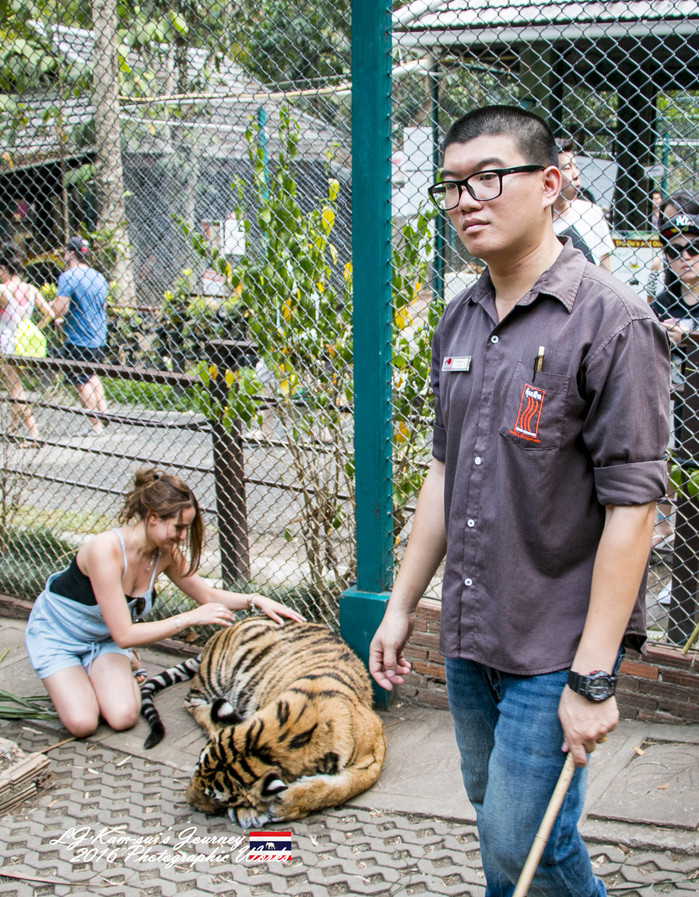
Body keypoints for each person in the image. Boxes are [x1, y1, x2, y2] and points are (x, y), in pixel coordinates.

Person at [369, 105, 670, 897]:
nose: (468, 198)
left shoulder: (613, 323)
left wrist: (594, 678)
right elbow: (442, 471)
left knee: (517, 837)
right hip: (473, 633)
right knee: (499, 826)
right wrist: (401, 605)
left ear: (549, 184)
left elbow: (633, 508)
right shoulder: (458, 320)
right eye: (453, 184)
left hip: (555, 645)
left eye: (489, 177)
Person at [25, 467, 305, 737]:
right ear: (153, 517)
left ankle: (110, 670)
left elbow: (206, 594)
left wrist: (256, 600)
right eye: (179, 527)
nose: (183, 536)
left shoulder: (166, 552)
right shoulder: (105, 550)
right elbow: (125, 635)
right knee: (83, 723)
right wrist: (190, 618)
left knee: (122, 718)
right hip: (60, 636)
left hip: (105, 639)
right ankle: (88, 672)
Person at [54, 236, 109, 435]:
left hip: (78, 338)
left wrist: (54, 314)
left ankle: (95, 425)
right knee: (92, 375)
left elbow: (61, 307)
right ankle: (104, 414)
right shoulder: (98, 276)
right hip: (98, 335)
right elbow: (100, 306)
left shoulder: (68, 277)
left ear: (70, 253)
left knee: (80, 380)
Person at [0, 242, 55, 440]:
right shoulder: (31, 289)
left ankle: (34, 433)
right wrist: (34, 328)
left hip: (6, 341)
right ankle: (13, 429)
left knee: (15, 389)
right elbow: (49, 313)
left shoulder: (2, 290)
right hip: (25, 341)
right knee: (15, 385)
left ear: (3, 268)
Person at [552, 137, 615, 270]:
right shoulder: (533, 222)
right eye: (567, 168)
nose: (576, 174)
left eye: (575, 166)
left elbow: (605, 269)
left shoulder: (591, 213)